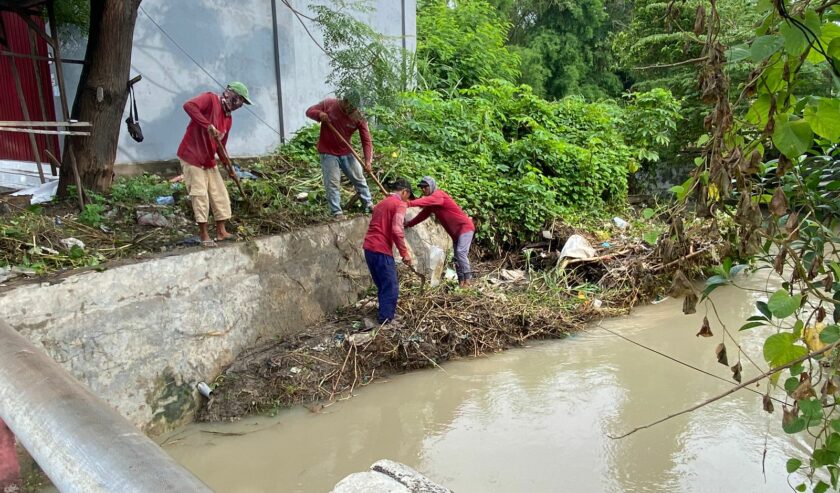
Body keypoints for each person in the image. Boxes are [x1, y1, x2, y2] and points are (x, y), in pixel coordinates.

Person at [177, 82, 251, 247]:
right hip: (192, 156)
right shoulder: (210, 99)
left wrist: (228, 167)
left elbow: (221, 147)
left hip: (208, 160)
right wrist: (208, 125)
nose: (240, 105)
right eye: (240, 100)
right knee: (200, 195)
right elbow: (188, 106)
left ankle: (221, 231)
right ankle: (204, 235)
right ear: (231, 95)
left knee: (220, 194)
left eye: (243, 103)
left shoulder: (228, 119)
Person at [305, 95, 374, 220]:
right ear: (344, 101)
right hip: (328, 152)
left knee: (359, 178)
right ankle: (336, 212)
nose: (351, 111)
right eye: (349, 106)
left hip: (347, 151)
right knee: (333, 182)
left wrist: (368, 161)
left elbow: (366, 140)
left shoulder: (359, 116)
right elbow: (309, 111)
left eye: (354, 108)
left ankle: (368, 204)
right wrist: (320, 114)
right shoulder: (329, 104)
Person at [405, 176, 475, 287]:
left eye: (425, 187)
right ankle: (462, 282)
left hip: (464, 228)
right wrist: (409, 224)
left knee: (461, 253)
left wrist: (408, 203)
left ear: (432, 186)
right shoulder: (432, 204)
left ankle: (468, 279)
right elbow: (422, 215)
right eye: (422, 188)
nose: (423, 190)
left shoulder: (438, 195)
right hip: (456, 233)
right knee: (457, 257)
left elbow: (424, 201)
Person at [363, 177, 414, 324]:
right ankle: (385, 320)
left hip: (369, 248)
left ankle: (387, 313)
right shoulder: (400, 204)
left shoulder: (381, 204)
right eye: (408, 196)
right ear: (405, 192)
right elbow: (397, 230)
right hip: (381, 249)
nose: (407, 200)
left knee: (382, 284)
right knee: (391, 285)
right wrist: (405, 253)